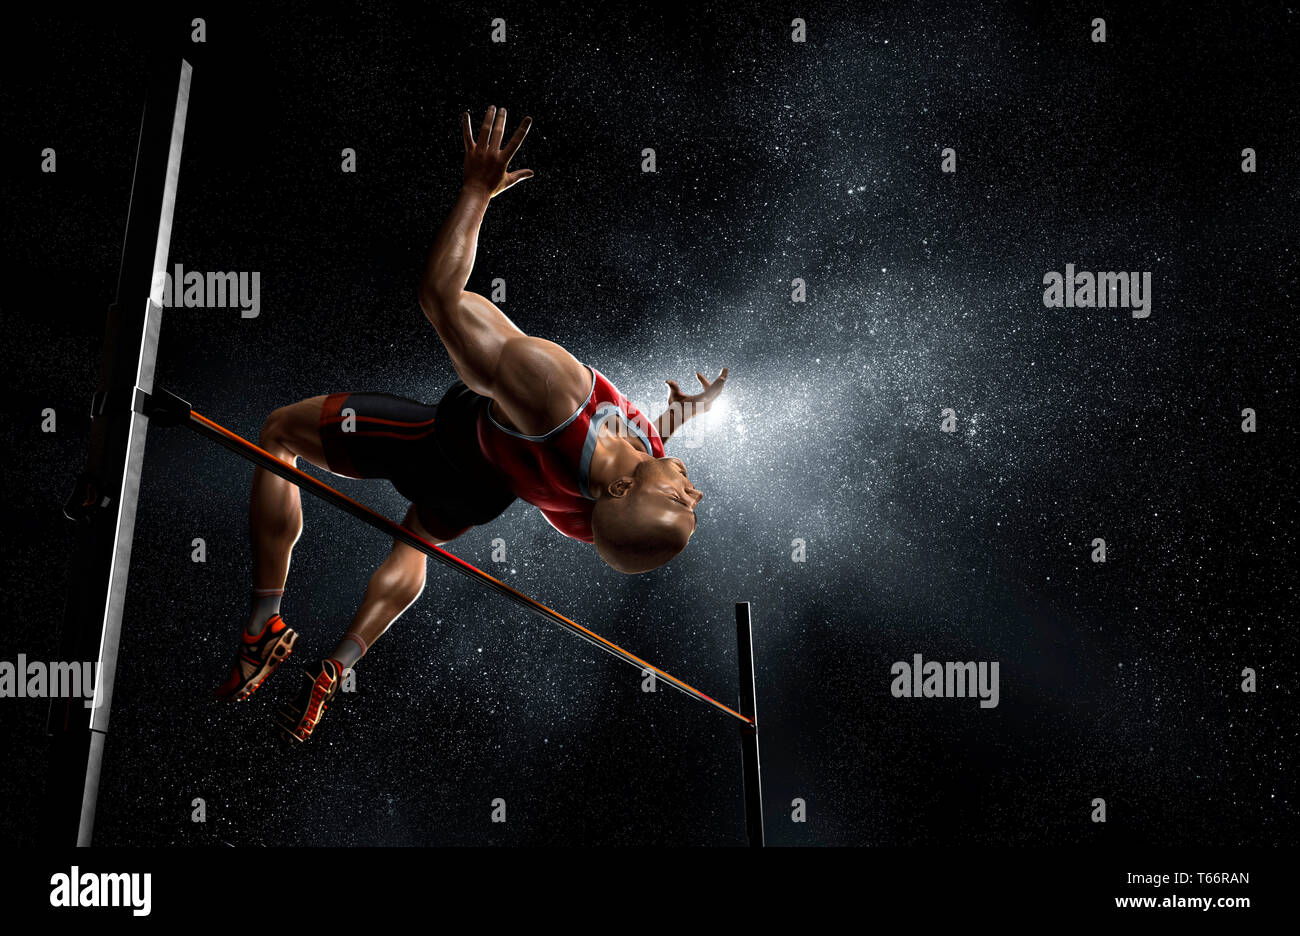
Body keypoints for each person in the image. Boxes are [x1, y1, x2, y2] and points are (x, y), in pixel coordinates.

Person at [215, 107, 729, 742]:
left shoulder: (551, 395)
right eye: (689, 499)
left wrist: (475, 192)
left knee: (278, 434)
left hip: (442, 446)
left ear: (624, 490)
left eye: (680, 497)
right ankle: (341, 663)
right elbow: (637, 458)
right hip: (486, 495)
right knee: (415, 540)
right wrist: (683, 414)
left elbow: (440, 300)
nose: (695, 489)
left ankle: (262, 622)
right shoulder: (628, 469)